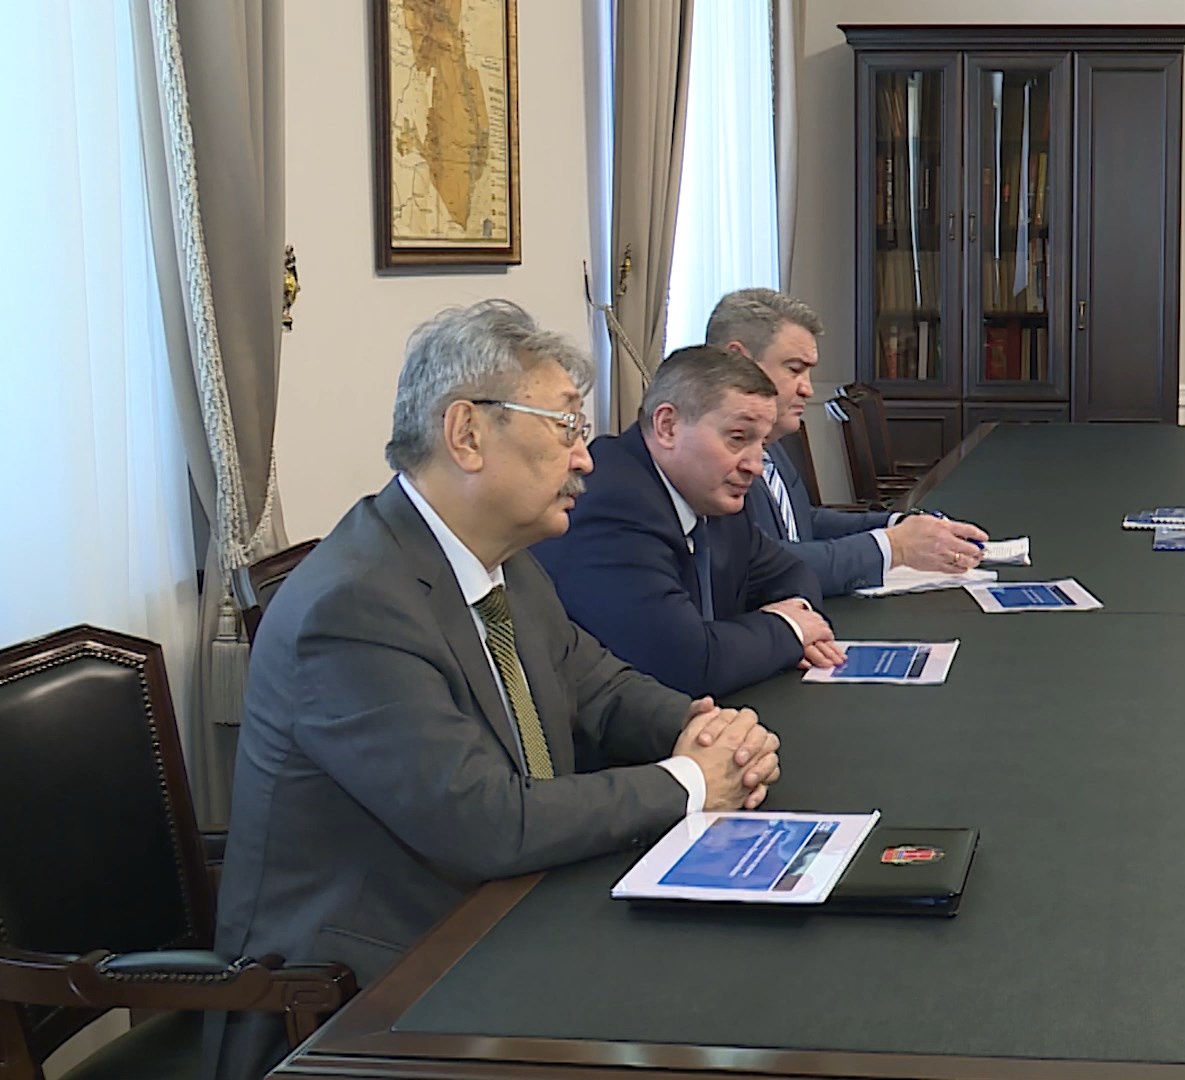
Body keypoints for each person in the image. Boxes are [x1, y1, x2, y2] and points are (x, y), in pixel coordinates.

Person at [208, 301, 781, 1079]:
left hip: (504, 917)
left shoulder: (503, 564)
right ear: (467, 434)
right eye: (565, 428)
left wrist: (705, 731)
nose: (586, 459)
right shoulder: (352, 608)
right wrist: (690, 782)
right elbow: (483, 820)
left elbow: (600, 686)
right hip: (359, 998)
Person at [534, 345, 844, 697]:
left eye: (762, 443)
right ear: (667, 426)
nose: (755, 466)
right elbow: (686, 665)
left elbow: (792, 573)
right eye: (738, 438)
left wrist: (800, 618)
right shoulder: (610, 503)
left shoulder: (714, 495)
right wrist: (790, 630)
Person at [706, 287, 988, 595]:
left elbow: (801, 522)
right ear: (740, 360)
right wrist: (893, 547)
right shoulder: (710, 456)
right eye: (795, 370)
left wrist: (897, 525)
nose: (807, 389)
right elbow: (761, 568)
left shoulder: (770, 440)